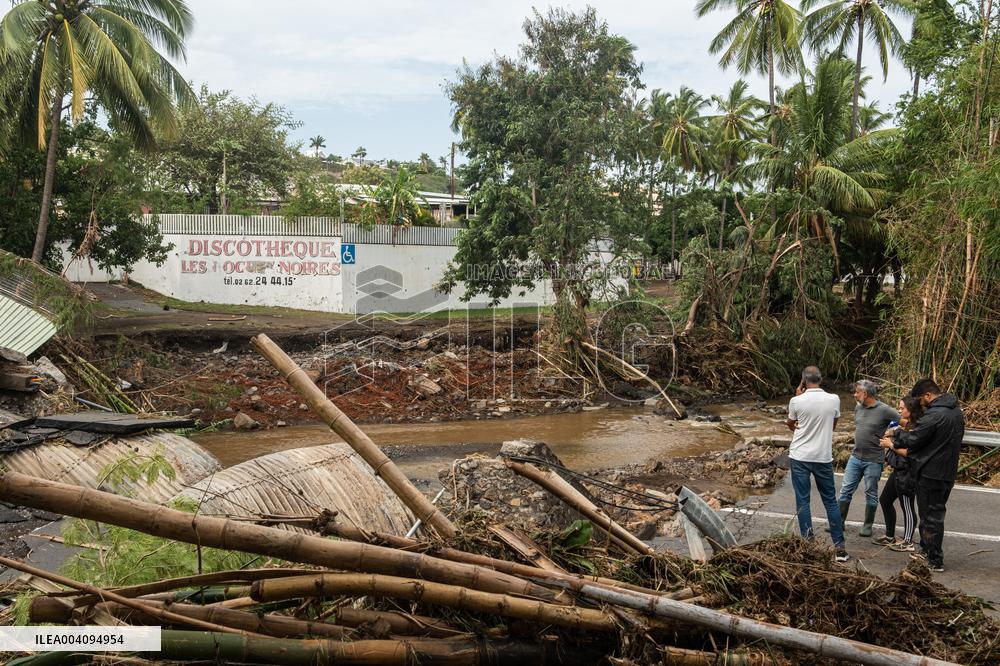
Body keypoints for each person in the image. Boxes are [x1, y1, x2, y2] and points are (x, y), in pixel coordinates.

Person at [882, 378, 964, 573]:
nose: (919, 403)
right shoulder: (955, 412)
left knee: (930, 516)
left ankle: (934, 559)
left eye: (920, 399)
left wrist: (896, 434)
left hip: (931, 472)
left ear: (928, 395)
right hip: (946, 471)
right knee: (932, 513)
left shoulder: (934, 415)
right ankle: (927, 551)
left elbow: (914, 439)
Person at [786, 366, 849, 562]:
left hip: (800, 455)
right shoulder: (834, 399)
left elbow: (791, 425)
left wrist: (798, 396)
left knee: (803, 500)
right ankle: (840, 548)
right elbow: (833, 423)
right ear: (821, 380)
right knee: (830, 500)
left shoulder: (796, 400)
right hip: (822, 456)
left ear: (803, 381)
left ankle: (808, 544)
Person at [835, 380, 899, 537]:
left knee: (871, 492)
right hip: (855, 457)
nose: (855, 394)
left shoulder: (884, 410)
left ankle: (867, 526)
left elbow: (903, 421)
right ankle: (838, 523)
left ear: (866, 394)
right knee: (845, 490)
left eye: (857, 392)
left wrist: (892, 433)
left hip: (874, 459)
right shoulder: (858, 407)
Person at [872, 395, 923, 551]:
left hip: (908, 472)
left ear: (911, 410)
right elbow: (899, 428)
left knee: (906, 506)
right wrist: (892, 434)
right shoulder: (906, 424)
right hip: (898, 470)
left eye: (902, 408)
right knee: (885, 500)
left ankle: (908, 542)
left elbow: (910, 453)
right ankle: (889, 536)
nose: (899, 411)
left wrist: (890, 445)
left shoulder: (918, 428)